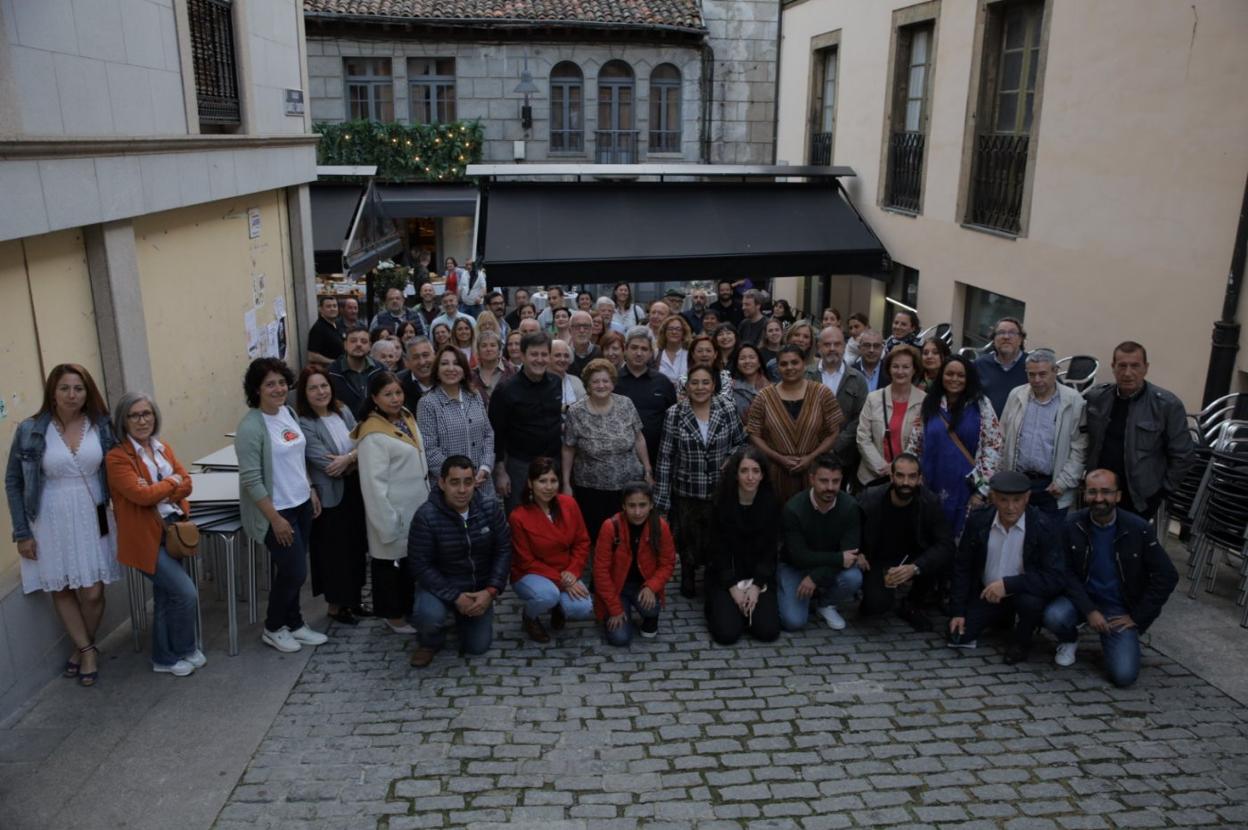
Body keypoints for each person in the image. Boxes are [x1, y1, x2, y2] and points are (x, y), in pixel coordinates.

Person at [6, 365, 118, 687]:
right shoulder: (29, 429)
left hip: (92, 514)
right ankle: (87, 651)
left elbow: (120, 467)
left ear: (88, 392)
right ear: (52, 392)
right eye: (65, 388)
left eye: (79, 388)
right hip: (48, 517)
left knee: (94, 591)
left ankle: (79, 647)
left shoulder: (101, 426)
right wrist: (22, 532)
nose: (72, 395)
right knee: (63, 587)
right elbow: (13, 481)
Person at [1042, 470, 1179, 685]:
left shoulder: (1138, 529)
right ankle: (1070, 638)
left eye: (1106, 492)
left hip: (1119, 609)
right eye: (1093, 492)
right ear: (1084, 494)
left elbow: (1167, 576)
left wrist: (1138, 617)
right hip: (1082, 601)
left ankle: (1118, 640)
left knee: (1124, 676)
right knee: (1054, 616)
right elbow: (1065, 573)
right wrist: (1090, 610)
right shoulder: (1071, 525)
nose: (1099, 499)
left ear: (1118, 496)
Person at [236, 358, 329, 654]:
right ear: (256, 389)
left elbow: (297, 458)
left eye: (280, 382)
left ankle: (295, 622)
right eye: (269, 384)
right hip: (277, 512)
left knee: (293, 569)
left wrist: (311, 489)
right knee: (294, 572)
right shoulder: (251, 426)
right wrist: (274, 519)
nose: (277, 389)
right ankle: (273, 627)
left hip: (301, 503)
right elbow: (251, 479)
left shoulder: (287, 412)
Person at [106, 392, 203, 675]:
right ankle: (182, 648)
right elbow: (141, 496)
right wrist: (170, 482)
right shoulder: (117, 458)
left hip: (173, 531)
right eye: (134, 415)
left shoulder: (163, 448)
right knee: (185, 593)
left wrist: (166, 485)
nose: (142, 420)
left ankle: (166, 657)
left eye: (146, 413)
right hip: (144, 537)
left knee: (165, 597)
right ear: (123, 421)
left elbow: (187, 483)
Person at [948, 470, 1065, 664]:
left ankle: (1022, 641)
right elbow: (963, 567)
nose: (1011, 508)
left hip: (1023, 592)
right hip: (987, 593)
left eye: (1017, 500)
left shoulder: (1043, 526)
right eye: (1003, 500)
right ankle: (1001, 618)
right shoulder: (978, 521)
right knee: (957, 635)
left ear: (1027, 498)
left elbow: (1055, 577)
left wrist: (1009, 585)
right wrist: (957, 611)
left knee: (1030, 604)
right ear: (993, 497)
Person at [408, 455, 512, 667]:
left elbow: (503, 550)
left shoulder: (490, 509)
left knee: (477, 647)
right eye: (455, 482)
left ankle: (463, 618)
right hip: (440, 587)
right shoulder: (426, 516)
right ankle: (429, 641)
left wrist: (491, 591)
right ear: (442, 483)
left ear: (475, 482)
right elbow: (420, 565)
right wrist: (455, 597)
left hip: (478, 590)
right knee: (429, 615)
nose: (462, 490)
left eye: (468, 482)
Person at [656, 365, 747, 597]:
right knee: (688, 539)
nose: (700, 387)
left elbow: (741, 442)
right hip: (687, 490)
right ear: (686, 387)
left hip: (720, 487)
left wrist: (730, 459)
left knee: (717, 536)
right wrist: (662, 502)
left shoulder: (726, 408)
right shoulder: (674, 413)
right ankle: (687, 573)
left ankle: (713, 575)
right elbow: (665, 457)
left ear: (713, 385)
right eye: (694, 383)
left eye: (705, 382)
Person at [353, 371, 430, 634]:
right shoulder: (372, 434)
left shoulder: (406, 416)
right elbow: (373, 486)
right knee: (389, 567)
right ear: (374, 398)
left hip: (415, 507)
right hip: (391, 511)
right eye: (388, 394)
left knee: (407, 564)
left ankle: (406, 609)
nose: (395, 399)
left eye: (398, 392)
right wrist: (387, 523)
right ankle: (393, 616)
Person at [1083, 341, 1194, 521]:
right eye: (1122, 366)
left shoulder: (1166, 405)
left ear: (1146, 368)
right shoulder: (1097, 398)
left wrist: (1162, 491)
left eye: (1135, 366)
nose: (1128, 373)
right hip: (1099, 493)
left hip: (1139, 497)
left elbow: (1183, 455)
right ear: (1113, 367)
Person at [296, 367, 367, 626]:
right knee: (334, 551)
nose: (320, 392)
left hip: (354, 488)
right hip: (329, 496)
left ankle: (355, 600)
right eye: (313, 388)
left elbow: (362, 442)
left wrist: (348, 458)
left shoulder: (343, 411)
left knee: (356, 546)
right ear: (304, 393)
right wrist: (352, 458)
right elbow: (326, 464)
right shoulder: (305, 423)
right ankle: (337, 605)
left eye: (323, 385)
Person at [906, 355, 1002, 538]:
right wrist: (911, 478)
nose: (954, 379)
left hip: (966, 492)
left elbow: (993, 448)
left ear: (969, 378)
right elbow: (916, 444)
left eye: (961, 375)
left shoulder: (981, 405)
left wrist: (982, 492)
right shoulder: (930, 403)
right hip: (929, 488)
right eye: (949, 374)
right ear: (942, 376)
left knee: (960, 544)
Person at [855, 453, 953, 631]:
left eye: (912, 476)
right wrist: (859, 552)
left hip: (914, 558)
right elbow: (853, 529)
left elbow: (945, 544)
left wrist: (915, 567)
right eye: (900, 475)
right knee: (875, 607)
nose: (906, 482)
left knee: (937, 560)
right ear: (891, 477)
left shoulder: (929, 502)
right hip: (878, 559)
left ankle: (913, 604)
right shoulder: (871, 498)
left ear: (920, 479)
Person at [562, 359, 651, 545]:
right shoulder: (576, 412)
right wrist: (566, 482)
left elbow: (639, 438)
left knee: (628, 534)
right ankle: (599, 571)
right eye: (595, 381)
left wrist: (648, 469)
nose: (601, 385)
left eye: (605, 381)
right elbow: (569, 448)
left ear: (612, 383)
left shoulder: (626, 404)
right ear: (587, 384)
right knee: (598, 535)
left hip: (627, 484)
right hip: (591, 487)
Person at [508, 457, 595, 642]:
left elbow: (582, 542)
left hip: (566, 571)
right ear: (530, 483)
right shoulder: (518, 517)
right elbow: (526, 561)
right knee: (547, 595)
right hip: (530, 573)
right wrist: (563, 581)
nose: (549, 487)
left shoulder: (569, 504)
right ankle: (530, 617)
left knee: (582, 608)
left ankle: (559, 607)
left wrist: (573, 571)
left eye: (553, 481)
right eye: (542, 481)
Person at [747, 345, 845, 505]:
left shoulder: (822, 393)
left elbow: (834, 432)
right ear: (777, 367)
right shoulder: (764, 397)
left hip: (814, 473)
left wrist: (811, 458)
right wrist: (779, 458)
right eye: (784, 364)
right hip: (776, 472)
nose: (789, 367)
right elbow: (753, 434)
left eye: (795, 362)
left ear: (804, 364)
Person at [777, 455, 864, 632]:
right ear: (812, 479)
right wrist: (838, 558)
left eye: (836, 481)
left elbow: (849, 556)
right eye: (824, 481)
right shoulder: (794, 509)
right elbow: (799, 556)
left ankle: (826, 604)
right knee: (793, 622)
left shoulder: (850, 507)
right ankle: (791, 592)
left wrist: (815, 577)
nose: (830, 488)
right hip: (795, 566)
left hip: (829, 567)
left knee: (854, 577)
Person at [999, 349, 1088, 517]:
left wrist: (1063, 482)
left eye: (1042, 374)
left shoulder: (1073, 400)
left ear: (1055, 371)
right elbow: (1001, 437)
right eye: (1031, 375)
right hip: (1017, 483)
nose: (1037, 380)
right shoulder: (1016, 395)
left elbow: (1080, 446)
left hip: (1051, 487)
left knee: (1048, 539)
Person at [705, 447, 781, 645]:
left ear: (763, 475)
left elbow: (770, 551)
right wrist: (732, 587)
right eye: (744, 471)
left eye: (756, 471)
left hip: (757, 577)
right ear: (736, 474)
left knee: (767, 631)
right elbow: (717, 550)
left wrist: (756, 586)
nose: (750, 477)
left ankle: (748, 609)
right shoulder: (721, 503)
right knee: (726, 634)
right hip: (727, 577)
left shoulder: (770, 504)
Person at [593, 482, 676, 646]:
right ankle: (621, 612)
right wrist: (614, 609)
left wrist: (652, 586)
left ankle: (650, 615)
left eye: (642, 505)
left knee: (651, 608)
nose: (637, 512)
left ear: (651, 504)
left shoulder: (660, 527)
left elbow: (667, 563)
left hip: (643, 585)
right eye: (632, 505)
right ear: (623, 505)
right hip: (617, 588)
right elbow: (600, 571)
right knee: (620, 638)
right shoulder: (610, 527)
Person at [490, 332, 564, 513]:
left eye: (544, 354)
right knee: (520, 516)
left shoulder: (556, 382)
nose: (539, 359)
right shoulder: (505, 390)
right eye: (534, 354)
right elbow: (496, 434)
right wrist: (500, 472)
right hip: (521, 466)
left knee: (552, 516)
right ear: (522, 356)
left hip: (553, 463)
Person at [418, 345, 495, 500]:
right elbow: (429, 449)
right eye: (445, 363)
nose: (451, 368)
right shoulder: (428, 403)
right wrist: (463, 479)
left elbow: (488, 434)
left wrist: (485, 467)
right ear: (437, 370)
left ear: (464, 369)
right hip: (450, 489)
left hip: (482, 483)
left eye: (456, 363)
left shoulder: (474, 395)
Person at [855, 345, 925, 487]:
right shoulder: (873, 398)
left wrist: (899, 469)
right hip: (873, 478)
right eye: (895, 366)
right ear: (888, 369)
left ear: (914, 370)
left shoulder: (924, 401)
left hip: (907, 480)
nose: (900, 371)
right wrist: (883, 468)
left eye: (906, 367)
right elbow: (862, 437)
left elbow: (921, 442)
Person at [808, 324, 869, 481]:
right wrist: (818, 447)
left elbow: (860, 418)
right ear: (819, 347)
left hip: (844, 458)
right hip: (809, 454)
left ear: (844, 346)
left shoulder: (858, 379)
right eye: (827, 344)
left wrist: (834, 445)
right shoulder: (806, 375)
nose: (832, 348)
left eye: (837, 344)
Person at [615, 326, 678, 470]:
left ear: (651, 353)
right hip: (619, 459)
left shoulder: (663, 383)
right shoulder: (613, 381)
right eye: (634, 348)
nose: (639, 353)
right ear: (625, 349)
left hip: (657, 458)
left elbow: (673, 419)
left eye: (644, 349)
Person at [974, 317, 1029, 416]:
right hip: (986, 426)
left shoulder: (1032, 366)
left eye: (1012, 333)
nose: (1006, 337)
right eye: (1001, 333)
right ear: (993, 340)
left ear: (1021, 340)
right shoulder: (980, 364)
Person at [329, 324, 383, 417]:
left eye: (364, 341)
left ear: (370, 346)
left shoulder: (381, 370)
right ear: (345, 345)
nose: (358, 344)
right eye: (353, 341)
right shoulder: (332, 373)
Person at [730, 343, 770, 423]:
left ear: (759, 363)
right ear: (737, 364)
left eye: (751, 357)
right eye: (742, 358)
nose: (747, 361)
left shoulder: (771, 389)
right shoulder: (730, 387)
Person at [471, 330, 514, 403]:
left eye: (493, 345)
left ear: (499, 350)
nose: (488, 349)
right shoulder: (471, 375)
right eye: (484, 346)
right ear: (478, 350)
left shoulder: (512, 371)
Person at [397, 336, 436, 412]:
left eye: (425, 355)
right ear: (407, 362)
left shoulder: (446, 379)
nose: (422, 362)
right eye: (416, 357)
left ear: (435, 356)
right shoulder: (398, 383)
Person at [308, 295, 345, 366]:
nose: (332, 309)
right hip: (329, 371)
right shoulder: (318, 328)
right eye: (328, 306)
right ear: (321, 309)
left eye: (335, 306)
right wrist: (334, 362)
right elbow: (312, 356)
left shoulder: (338, 324)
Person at [550, 339, 587, 408]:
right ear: (548, 357)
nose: (562, 359)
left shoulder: (576, 381)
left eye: (566, 356)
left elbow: (584, 407)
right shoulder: (540, 381)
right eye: (557, 355)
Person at [656, 314, 690, 384]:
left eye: (678, 329)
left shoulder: (690, 355)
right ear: (664, 332)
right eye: (670, 329)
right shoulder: (655, 354)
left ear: (684, 333)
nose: (674, 332)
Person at [567, 310, 600, 377]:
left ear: (592, 330)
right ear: (570, 331)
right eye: (577, 326)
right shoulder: (564, 355)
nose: (582, 330)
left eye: (586, 327)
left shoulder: (600, 353)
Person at [852, 328, 885, 392]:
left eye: (876, 346)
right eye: (867, 345)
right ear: (859, 348)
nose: (871, 350)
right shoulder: (849, 372)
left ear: (882, 349)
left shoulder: (890, 372)